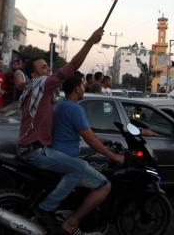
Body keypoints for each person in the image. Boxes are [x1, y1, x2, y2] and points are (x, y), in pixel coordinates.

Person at [16, 27, 103, 234]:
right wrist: (91, 40)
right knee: (78, 168)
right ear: (35, 74)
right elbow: (73, 65)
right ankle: (46, 209)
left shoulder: (35, 89)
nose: (49, 70)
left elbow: (20, 76)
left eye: (48, 67)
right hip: (35, 151)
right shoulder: (43, 84)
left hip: (32, 148)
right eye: (44, 67)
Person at [34, 75, 124, 234]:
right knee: (105, 185)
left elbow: (84, 132)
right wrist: (114, 156)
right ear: (76, 89)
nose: (84, 88)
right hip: (66, 158)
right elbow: (90, 140)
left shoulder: (61, 105)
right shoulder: (75, 108)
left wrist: (99, 139)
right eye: (82, 86)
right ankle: (72, 222)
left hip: (57, 154)